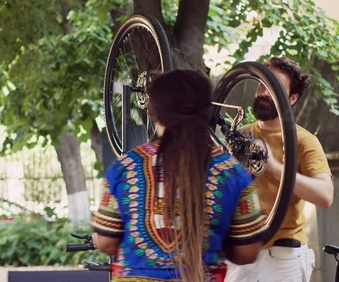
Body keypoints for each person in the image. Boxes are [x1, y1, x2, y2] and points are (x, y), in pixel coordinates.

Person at [91, 69, 269, 282]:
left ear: (155, 112)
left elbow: (106, 243)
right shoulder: (232, 174)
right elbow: (247, 252)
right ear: (206, 110)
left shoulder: (124, 168)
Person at [225, 56, 334, 282]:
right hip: (242, 251)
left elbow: (325, 195)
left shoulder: (303, 140)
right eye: (262, 84)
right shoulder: (243, 134)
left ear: (292, 98)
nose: (265, 92)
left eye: (274, 87)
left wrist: (274, 167)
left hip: (283, 255)